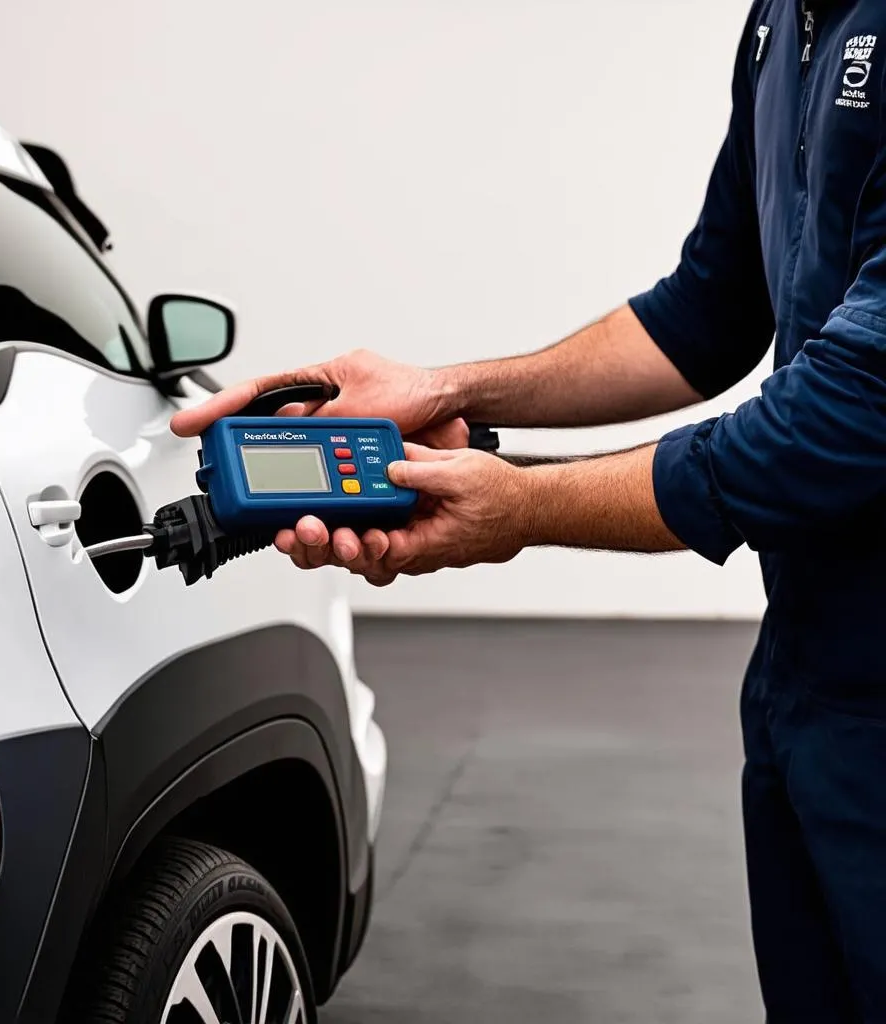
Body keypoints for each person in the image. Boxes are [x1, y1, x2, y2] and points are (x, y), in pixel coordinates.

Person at [173, 1, 886, 1018]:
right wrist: (451, 392)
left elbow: (850, 413)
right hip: (803, 677)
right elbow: (711, 307)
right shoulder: (780, 20)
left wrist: (522, 509)